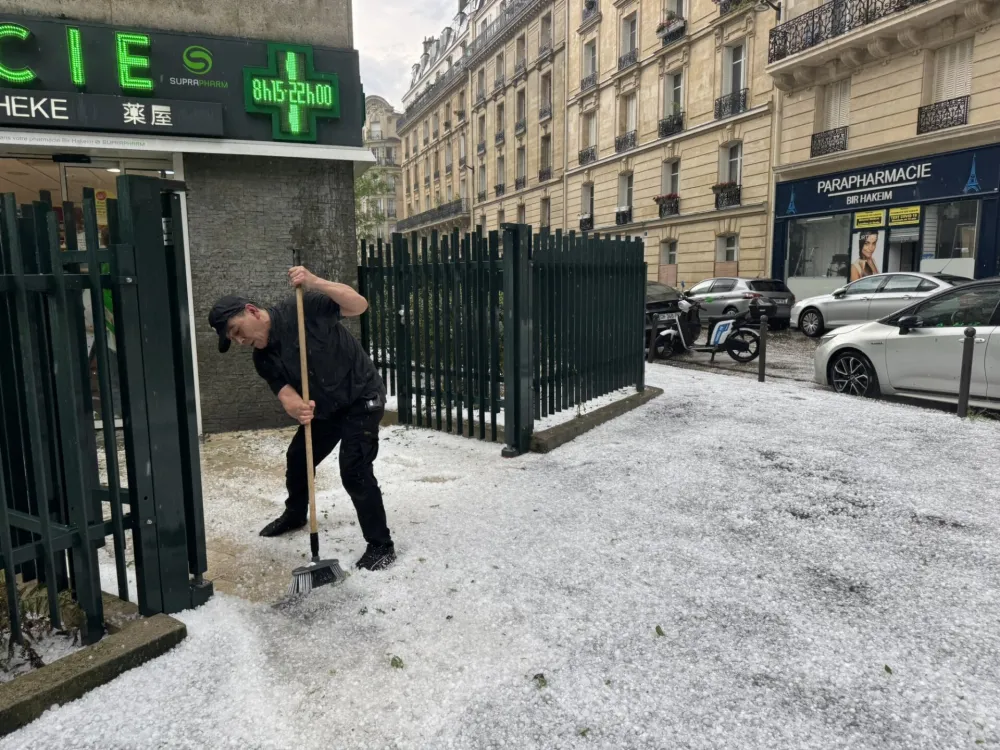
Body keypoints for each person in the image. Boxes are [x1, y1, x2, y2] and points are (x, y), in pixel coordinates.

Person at [207, 265, 395, 572]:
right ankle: (295, 515)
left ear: (252, 311)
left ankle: (381, 545)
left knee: (354, 469)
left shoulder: (303, 307)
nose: (239, 341)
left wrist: (315, 281)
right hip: (326, 408)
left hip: (361, 397)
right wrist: (297, 407)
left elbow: (358, 305)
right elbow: (285, 393)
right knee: (298, 458)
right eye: (232, 338)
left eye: (237, 331)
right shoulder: (262, 357)